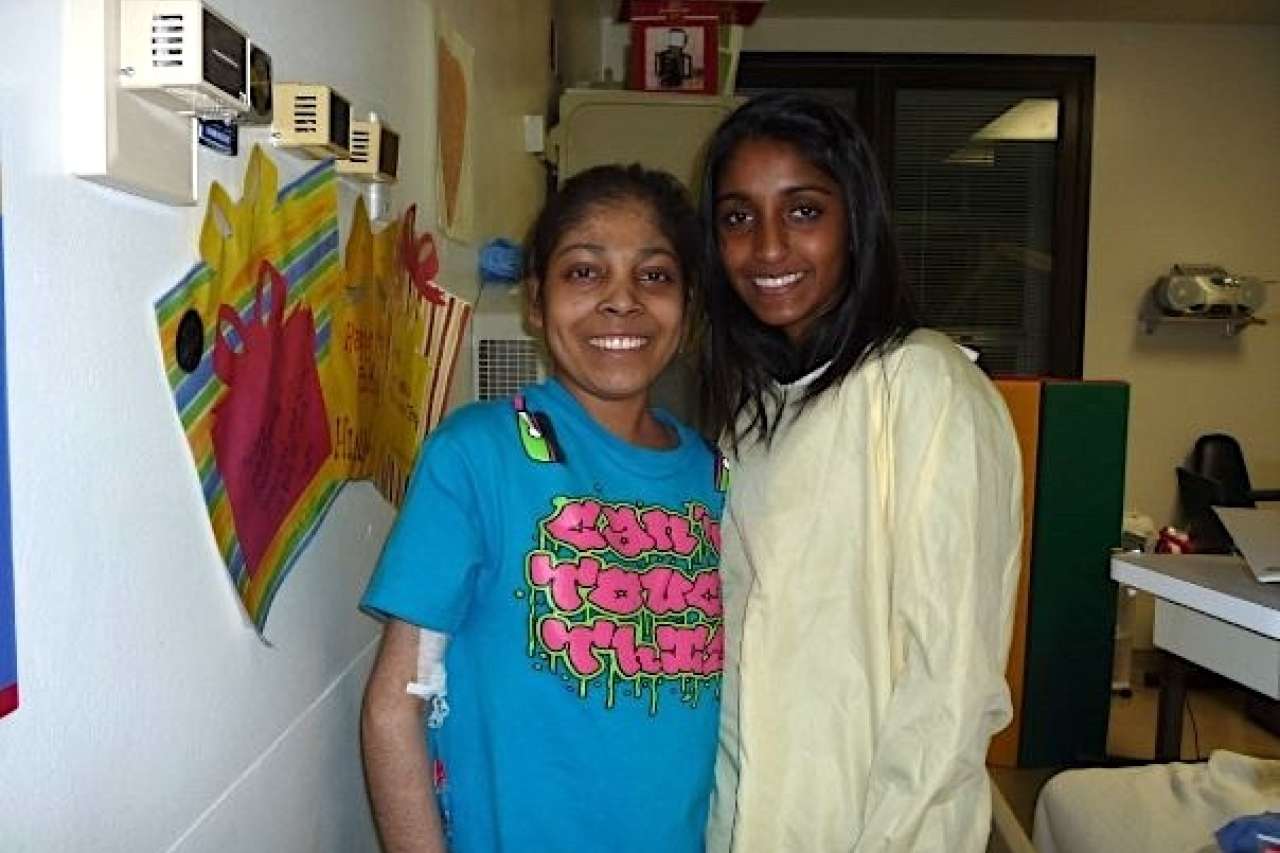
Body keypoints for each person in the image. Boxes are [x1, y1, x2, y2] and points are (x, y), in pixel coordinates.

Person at [360, 164, 726, 853]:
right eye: (585, 273)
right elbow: (393, 705)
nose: (622, 302)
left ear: (691, 307)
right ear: (535, 302)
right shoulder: (478, 456)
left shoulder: (716, 477)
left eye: (654, 276)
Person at [698, 92, 1023, 852]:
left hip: (875, 826)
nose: (768, 248)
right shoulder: (753, 410)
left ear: (857, 222)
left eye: (804, 211)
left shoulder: (925, 388)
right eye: (738, 217)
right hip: (746, 817)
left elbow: (951, 686)